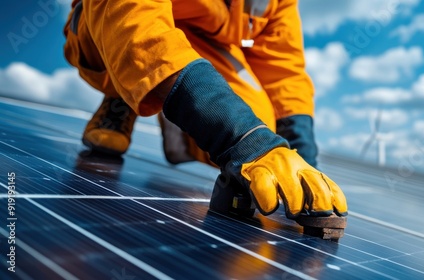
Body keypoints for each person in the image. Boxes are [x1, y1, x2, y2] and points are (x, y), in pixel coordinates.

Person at [63, 0, 348, 219]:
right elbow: (136, 21)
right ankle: (121, 95)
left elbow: (282, 68)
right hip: (113, 19)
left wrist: (301, 154)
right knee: (130, 41)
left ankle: (180, 100)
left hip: (199, 43)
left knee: (264, 130)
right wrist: (240, 139)